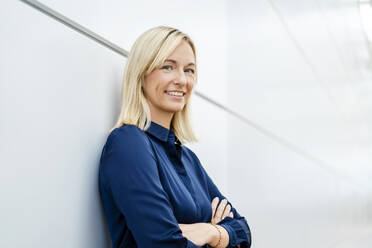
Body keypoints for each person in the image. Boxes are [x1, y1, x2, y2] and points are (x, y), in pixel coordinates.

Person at [98, 26, 251, 248]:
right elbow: (164, 245)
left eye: (189, 70)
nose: (181, 80)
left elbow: (244, 231)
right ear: (141, 75)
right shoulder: (128, 143)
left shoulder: (188, 158)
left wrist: (209, 232)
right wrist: (221, 238)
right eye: (168, 67)